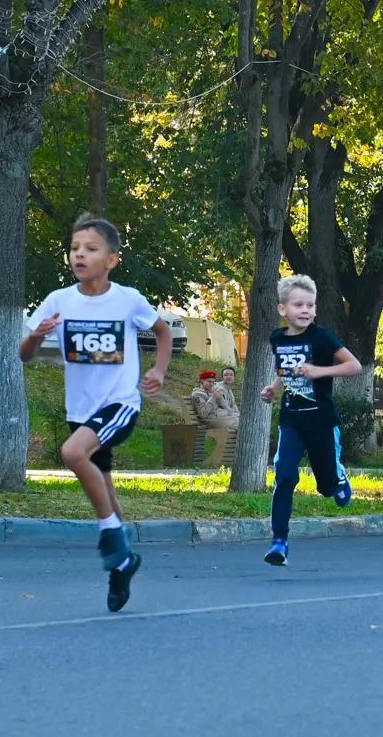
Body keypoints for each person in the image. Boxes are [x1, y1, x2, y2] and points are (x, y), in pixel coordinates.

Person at [21, 216, 170, 612]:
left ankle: (108, 535)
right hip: (80, 408)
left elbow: (162, 331)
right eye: (74, 248)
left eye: (90, 249)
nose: (79, 255)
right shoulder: (58, 301)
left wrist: (157, 371)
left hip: (119, 404)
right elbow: (25, 355)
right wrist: (36, 335)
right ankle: (123, 563)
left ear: (112, 260)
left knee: (72, 454)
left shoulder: (127, 299)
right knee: (103, 484)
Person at [260, 275, 363, 568]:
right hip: (291, 420)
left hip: (321, 420)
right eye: (298, 305)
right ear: (283, 309)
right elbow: (286, 371)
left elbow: (354, 366)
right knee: (285, 475)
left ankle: (338, 477)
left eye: (310, 305)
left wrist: (319, 372)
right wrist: (273, 387)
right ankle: (279, 541)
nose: (305, 310)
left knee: (326, 488)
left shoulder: (322, 337)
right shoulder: (277, 339)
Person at [187, 367, 240, 465]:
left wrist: (221, 400)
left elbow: (226, 407)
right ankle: (241, 455)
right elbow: (203, 414)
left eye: (213, 382)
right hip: (210, 420)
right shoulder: (198, 394)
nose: (212, 384)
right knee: (241, 425)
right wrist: (213, 398)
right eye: (209, 381)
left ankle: (239, 455)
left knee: (242, 422)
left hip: (220, 417)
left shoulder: (212, 391)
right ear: (202, 381)